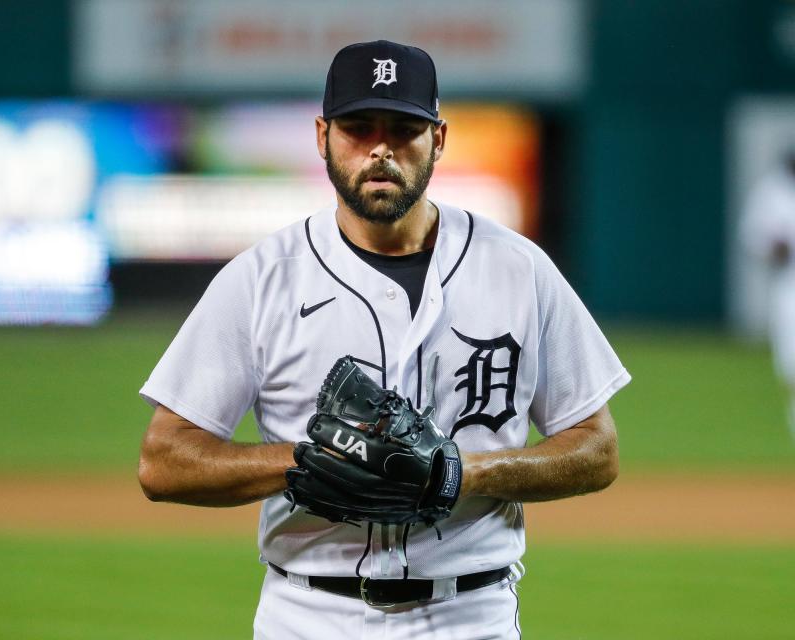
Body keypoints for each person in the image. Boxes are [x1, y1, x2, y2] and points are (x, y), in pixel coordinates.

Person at [137, 40, 630, 639]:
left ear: (439, 139)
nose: (380, 148)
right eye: (357, 127)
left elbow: (596, 448)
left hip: (470, 617)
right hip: (308, 617)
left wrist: (460, 474)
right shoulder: (261, 278)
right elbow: (163, 463)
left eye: (403, 128)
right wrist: (308, 461)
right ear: (321, 137)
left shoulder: (519, 269)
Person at [741, 149, 795, 440]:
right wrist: (774, 247)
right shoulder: (772, 191)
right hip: (790, 284)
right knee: (791, 363)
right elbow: (754, 237)